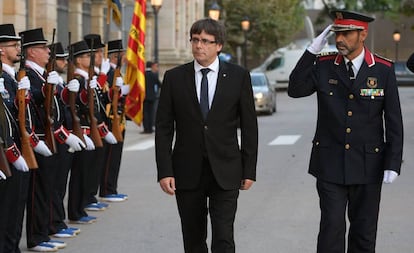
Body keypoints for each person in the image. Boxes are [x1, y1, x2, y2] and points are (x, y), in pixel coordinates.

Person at [288, 9, 403, 253]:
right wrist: (311, 51)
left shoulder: (382, 69)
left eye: (346, 33)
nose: (339, 39)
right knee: (331, 230)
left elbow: (393, 121)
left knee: (363, 232)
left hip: (368, 165)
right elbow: (295, 89)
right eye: (336, 33)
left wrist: (392, 163)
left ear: (363, 34)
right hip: (329, 164)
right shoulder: (325, 65)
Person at [155, 18, 258, 253]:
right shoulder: (174, 78)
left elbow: (250, 126)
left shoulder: (238, 77)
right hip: (187, 172)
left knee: (223, 238)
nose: (199, 46)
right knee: (193, 239)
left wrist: (249, 169)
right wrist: (165, 170)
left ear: (218, 45)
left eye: (205, 41)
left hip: (226, 170)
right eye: (195, 40)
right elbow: (163, 128)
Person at [20, 27, 84, 252]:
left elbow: (55, 103)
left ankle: (45, 231)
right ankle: (37, 236)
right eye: (43, 47)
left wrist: (67, 91)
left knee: (48, 188)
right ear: (31, 52)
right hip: (40, 139)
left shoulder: (43, 73)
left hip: (50, 138)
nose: (49, 51)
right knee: (40, 191)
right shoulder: (28, 75)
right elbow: (39, 109)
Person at [99, 39, 129, 202]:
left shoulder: (116, 72)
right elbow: (105, 95)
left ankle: (111, 187)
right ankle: (107, 188)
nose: (124, 58)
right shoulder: (109, 73)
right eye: (121, 55)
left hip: (119, 118)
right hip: (110, 119)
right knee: (110, 157)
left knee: (115, 156)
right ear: (114, 57)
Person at [142, 61, 161, 134]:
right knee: (151, 113)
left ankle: (146, 128)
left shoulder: (142, 74)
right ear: (152, 66)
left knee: (145, 113)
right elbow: (159, 84)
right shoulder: (154, 75)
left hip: (144, 96)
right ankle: (150, 128)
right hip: (152, 97)